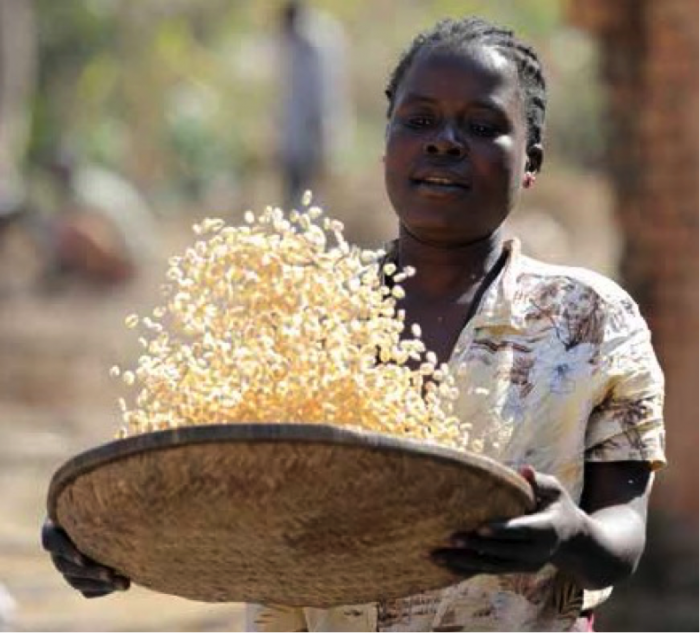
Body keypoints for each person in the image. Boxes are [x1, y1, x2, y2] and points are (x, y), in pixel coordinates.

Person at [41, 16, 666, 633]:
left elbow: (623, 532)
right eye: (418, 120)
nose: (444, 141)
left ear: (530, 160)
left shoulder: (589, 321)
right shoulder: (301, 313)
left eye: (481, 126)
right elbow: (223, 496)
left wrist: (569, 534)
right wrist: (105, 536)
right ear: (386, 142)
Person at [277, 1, 349, 209]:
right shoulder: (295, 44)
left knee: (310, 197)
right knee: (293, 196)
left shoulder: (316, 43)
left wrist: (325, 139)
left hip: (313, 136)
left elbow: (325, 97)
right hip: (293, 137)